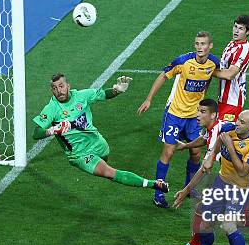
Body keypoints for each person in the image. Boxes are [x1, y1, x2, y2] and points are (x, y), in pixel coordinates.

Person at [138, 31, 233, 208]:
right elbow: (163, 75)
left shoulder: (213, 63)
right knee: (168, 152)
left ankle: (189, 188)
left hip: (195, 117)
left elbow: (222, 75)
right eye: (197, 44)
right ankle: (158, 193)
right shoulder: (183, 61)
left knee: (196, 153)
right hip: (174, 113)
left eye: (203, 44)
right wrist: (149, 99)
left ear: (210, 46)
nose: (199, 47)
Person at [32, 73, 169, 193]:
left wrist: (117, 91)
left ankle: (103, 167)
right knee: (109, 172)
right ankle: (153, 184)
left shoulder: (82, 96)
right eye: (54, 88)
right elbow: (36, 133)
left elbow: (103, 94)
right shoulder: (51, 109)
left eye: (61, 86)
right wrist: (53, 130)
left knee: (105, 164)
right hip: (79, 154)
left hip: (97, 142)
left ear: (68, 85)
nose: (58, 91)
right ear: (51, 90)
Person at [174, 110, 249, 245]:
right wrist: (211, 156)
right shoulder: (228, 129)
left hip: (240, 189)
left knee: (229, 226)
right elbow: (217, 140)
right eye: (238, 120)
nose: (237, 123)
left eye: (242, 122)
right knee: (205, 224)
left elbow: (243, 171)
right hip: (221, 184)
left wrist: (229, 146)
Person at [170, 99, 226, 245]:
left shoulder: (216, 132)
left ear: (213, 115)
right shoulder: (214, 128)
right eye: (198, 111)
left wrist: (185, 191)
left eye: (202, 112)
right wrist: (186, 145)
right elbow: (204, 139)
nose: (197, 115)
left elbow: (205, 168)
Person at [217, 15, 249, 122]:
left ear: (248, 32)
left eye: (241, 29)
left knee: (225, 135)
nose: (236, 31)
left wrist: (207, 71)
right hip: (223, 98)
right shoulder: (232, 44)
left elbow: (230, 74)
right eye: (235, 27)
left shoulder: (244, 50)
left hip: (233, 100)